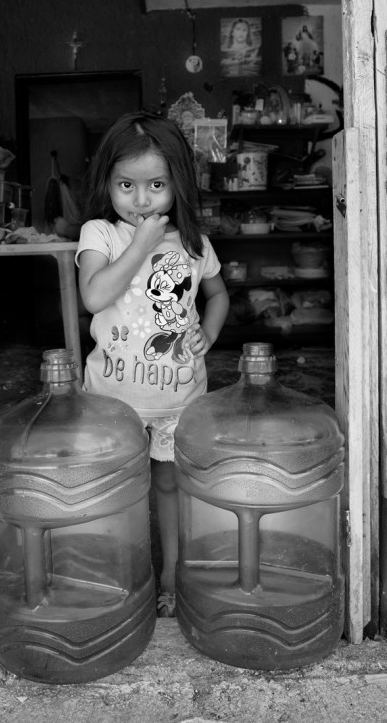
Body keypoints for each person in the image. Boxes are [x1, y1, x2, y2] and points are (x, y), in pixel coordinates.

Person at [76, 112, 230, 617]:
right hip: (112, 404)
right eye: (127, 185)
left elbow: (218, 296)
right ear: (108, 183)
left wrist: (207, 332)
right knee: (118, 491)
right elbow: (95, 296)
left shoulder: (192, 244)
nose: (141, 200)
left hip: (178, 401)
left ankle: (170, 576)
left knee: (169, 485)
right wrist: (141, 242)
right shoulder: (101, 233)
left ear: (177, 184)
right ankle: (124, 576)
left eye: (156, 185)